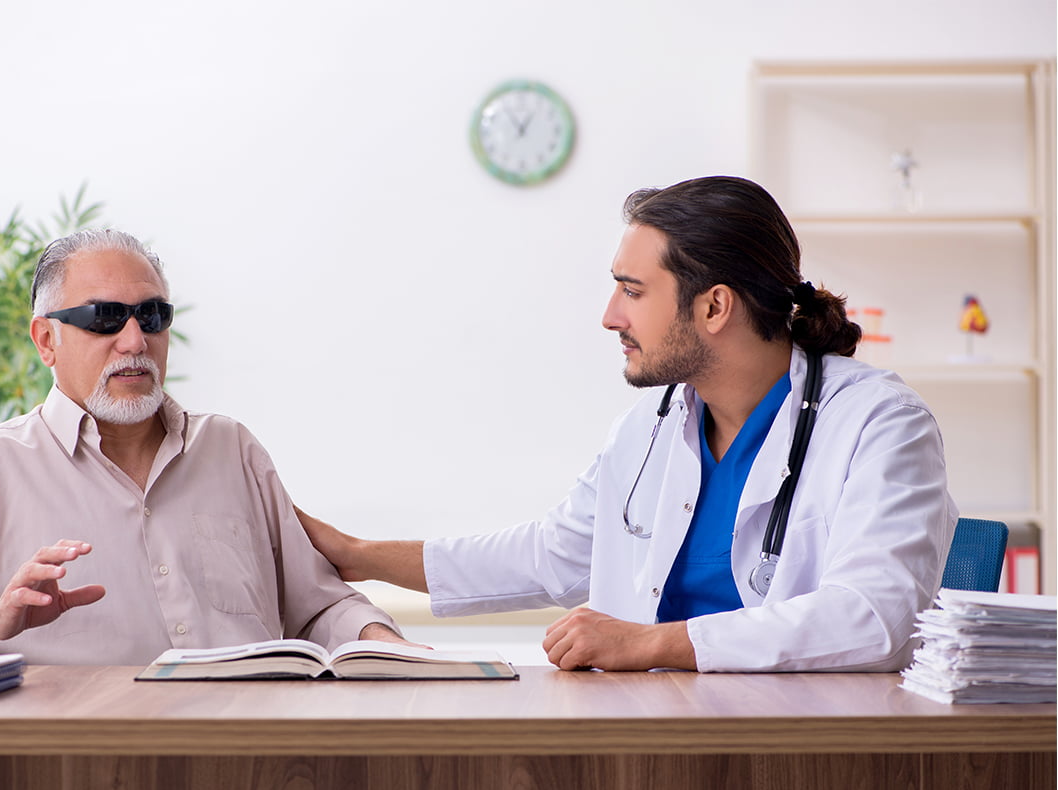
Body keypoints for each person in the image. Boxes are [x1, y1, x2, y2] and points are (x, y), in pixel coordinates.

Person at [299, 175, 957, 674]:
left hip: (800, 754)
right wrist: (356, 555)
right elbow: (553, 555)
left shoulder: (878, 425)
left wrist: (650, 643)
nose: (611, 316)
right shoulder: (654, 424)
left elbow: (877, 615)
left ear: (715, 306)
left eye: (633, 291)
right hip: (655, 729)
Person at [0, 229, 402, 664]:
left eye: (153, 316)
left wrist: (387, 646)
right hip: (74, 782)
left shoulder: (231, 449)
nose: (135, 341)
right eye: (105, 318)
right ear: (47, 340)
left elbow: (321, 606)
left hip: (251, 773)